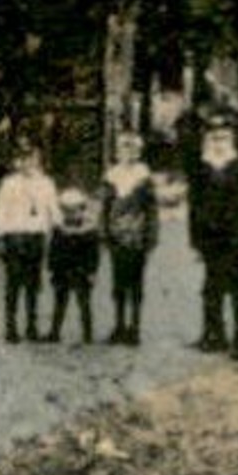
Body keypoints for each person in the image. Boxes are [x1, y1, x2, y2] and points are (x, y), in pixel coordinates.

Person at [188, 116, 238, 354]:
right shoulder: (201, 166)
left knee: (236, 287)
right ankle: (213, 334)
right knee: (211, 288)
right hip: (210, 238)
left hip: (234, 236)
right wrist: (195, 241)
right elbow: (194, 206)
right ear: (208, 140)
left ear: (231, 139)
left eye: (224, 137)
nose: (219, 142)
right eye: (214, 138)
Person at [0, 139, 59, 343]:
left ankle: (31, 327)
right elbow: (0, 212)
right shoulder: (9, 183)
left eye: (33, 159)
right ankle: (11, 328)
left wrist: (62, 226)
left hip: (35, 238)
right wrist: (1, 235)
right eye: (24, 159)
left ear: (39, 161)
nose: (28, 163)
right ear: (18, 162)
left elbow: (53, 210)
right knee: (13, 285)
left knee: (33, 284)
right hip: (15, 237)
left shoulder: (46, 183)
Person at [101, 130, 159, 345]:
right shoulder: (111, 176)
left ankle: (134, 327)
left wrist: (151, 235)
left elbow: (152, 210)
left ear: (139, 151)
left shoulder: (144, 176)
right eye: (124, 147)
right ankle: (119, 325)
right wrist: (104, 232)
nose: (128, 152)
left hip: (138, 235)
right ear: (118, 151)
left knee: (136, 282)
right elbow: (105, 208)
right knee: (118, 282)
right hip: (117, 235)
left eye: (133, 148)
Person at [45, 188, 102, 343]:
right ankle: (54, 332)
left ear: (81, 208)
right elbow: (53, 250)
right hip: (62, 271)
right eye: (66, 210)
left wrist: (92, 271)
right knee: (59, 303)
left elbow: (94, 255)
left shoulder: (90, 231)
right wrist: (51, 268)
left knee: (84, 304)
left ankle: (88, 335)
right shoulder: (59, 229)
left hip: (81, 272)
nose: (70, 213)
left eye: (74, 209)